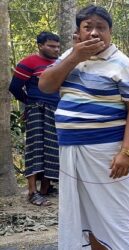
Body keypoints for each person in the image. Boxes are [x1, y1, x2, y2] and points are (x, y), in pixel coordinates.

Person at [39, 5, 129, 249]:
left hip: (106, 154)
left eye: (101, 28)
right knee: (84, 216)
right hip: (70, 151)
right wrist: (76, 56)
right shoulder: (69, 57)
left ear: (110, 32)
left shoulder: (123, 64)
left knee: (116, 216)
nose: (95, 33)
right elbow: (45, 85)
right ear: (79, 32)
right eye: (88, 27)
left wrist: (126, 152)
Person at [9, 31, 61, 206]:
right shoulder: (29, 62)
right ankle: (32, 191)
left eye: (57, 46)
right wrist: (30, 103)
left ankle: (45, 189)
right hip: (37, 109)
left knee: (53, 149)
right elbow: (15, 87)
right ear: (40, 46)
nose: (56, 49)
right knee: (35, 147)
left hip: (57, 111)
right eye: (51, 46)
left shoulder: (60, 63)